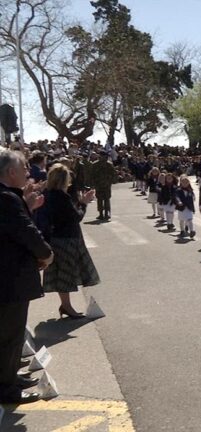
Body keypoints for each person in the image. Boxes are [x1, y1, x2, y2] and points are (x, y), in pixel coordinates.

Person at [0, 149, 53, 404]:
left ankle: (10, 378)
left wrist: (28, 205)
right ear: (11, 172)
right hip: (9, 280)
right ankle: (7, 389)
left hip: (9, 278)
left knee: (12, 335)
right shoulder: (6, 198)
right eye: (23, 169)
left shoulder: (9, 197)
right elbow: (26, 232)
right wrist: (46, 254)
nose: (28, 173)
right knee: (9, 336)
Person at [42, 164, 100, 318]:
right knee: (66, 274)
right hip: (67, 239)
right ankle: (67, 307)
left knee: (61, 273)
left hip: (55, 237)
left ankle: (65, 306)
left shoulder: (48, 194)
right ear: (63, 180)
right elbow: (76, 217)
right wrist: (84, 203)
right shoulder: (62, 196)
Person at [89, 150, 117, 220]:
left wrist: (111, 181)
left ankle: (106, 214)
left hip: (106, 184)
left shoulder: (109, 164)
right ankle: (101, 214)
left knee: (106, 199)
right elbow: (92, 175)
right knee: (100, 199)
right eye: (101, 156)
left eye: (103, 156)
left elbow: (113, 174)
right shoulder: (95, 164)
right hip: (99, 184)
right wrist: (92, 183)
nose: (102, 157)